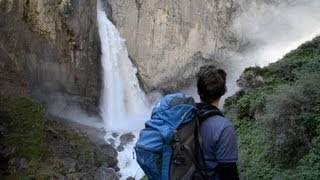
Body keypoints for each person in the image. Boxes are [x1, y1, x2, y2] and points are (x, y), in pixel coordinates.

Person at [196, 65, 239, 180]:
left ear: (198, 92)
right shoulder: (223, 127)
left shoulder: (185, 117)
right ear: (223, 91)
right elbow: (229, 173)